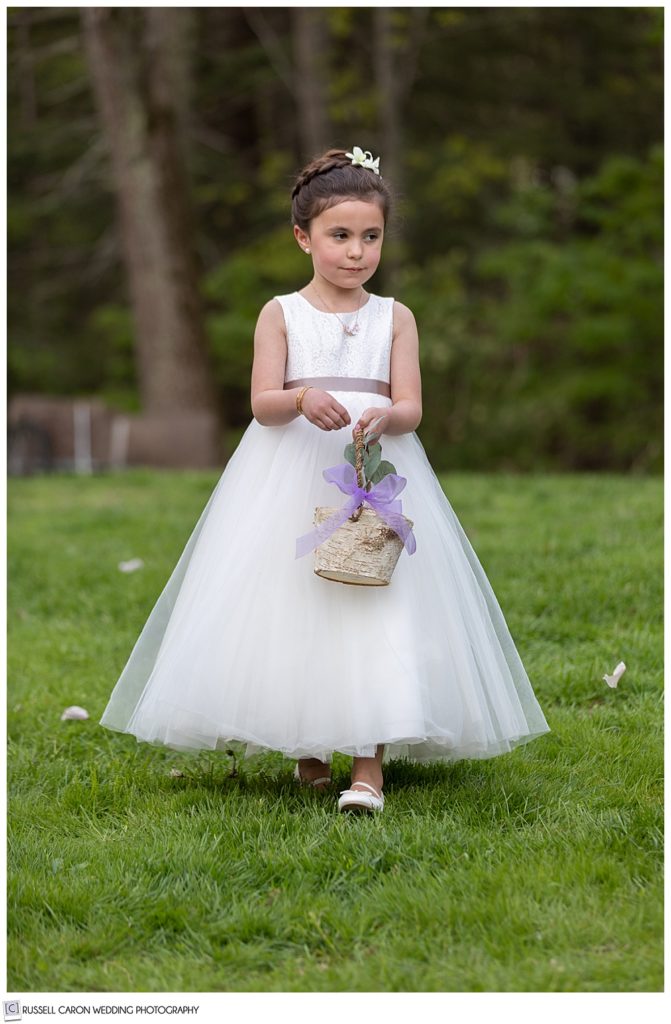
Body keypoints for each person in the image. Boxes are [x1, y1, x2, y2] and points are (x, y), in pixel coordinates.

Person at [100, 146, 550, 815]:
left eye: (370, 237)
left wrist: (387, 415)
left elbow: (412, 405)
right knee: (295, 605)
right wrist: (301, 396)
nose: (355, 252)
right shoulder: (281, 313)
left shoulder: (394, 317)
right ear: (302, 237)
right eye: (339, 236)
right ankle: (308, 746)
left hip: (372, 466)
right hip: (290, 471)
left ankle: (368, 762)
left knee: (375, 602)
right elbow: (261, 401)